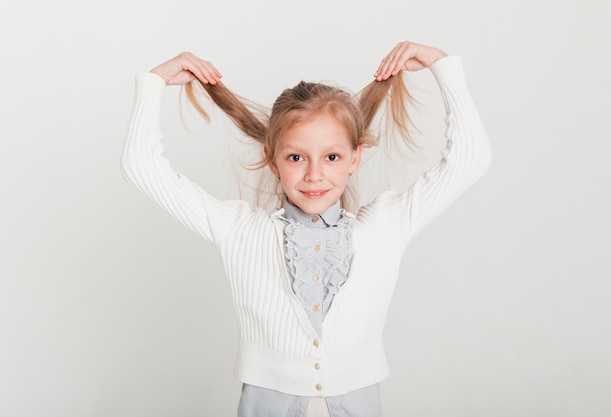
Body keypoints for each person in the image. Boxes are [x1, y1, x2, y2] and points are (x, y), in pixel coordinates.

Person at [121, 41, 491, 417]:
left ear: (354, 158)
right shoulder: (241, 231)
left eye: (332, 157)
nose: (314, 174)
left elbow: (470, 158)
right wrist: (154, 82)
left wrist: (442, 66)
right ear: (272, 160)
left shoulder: (386, 225)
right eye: (296, 157)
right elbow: (141, 165)